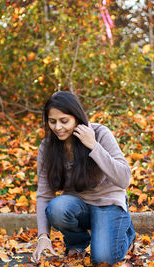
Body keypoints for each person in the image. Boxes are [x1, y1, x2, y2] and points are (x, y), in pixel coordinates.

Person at [32, 91, 135, 265]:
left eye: (64, 121)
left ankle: (127, 233)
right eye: (52, 121)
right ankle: (77, 242)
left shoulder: (100, 133)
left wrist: (93, 146)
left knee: (103, 259)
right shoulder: (48, 146)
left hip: (108, 203)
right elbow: (44, 194)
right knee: (56, 208)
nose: (58, 127)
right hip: (78, 205)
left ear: (77, 118)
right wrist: (43, 236)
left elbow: (124, 179)